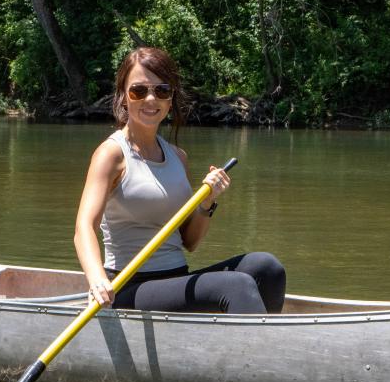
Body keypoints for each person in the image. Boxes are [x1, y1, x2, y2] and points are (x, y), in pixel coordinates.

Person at [73, 47, 286, 314]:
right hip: (127, 287)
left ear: (171, 98)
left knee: (266, 267)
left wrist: (206, 203)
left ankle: (256, 343)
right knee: (235, 287)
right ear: (124, 97)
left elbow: (189, 242)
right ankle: (261, 351)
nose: (151, 99)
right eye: (139, 90)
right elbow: (83, 228)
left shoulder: (177, 156)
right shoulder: (111, 154)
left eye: (161, 90)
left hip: (175, 279)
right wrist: (96, 280)